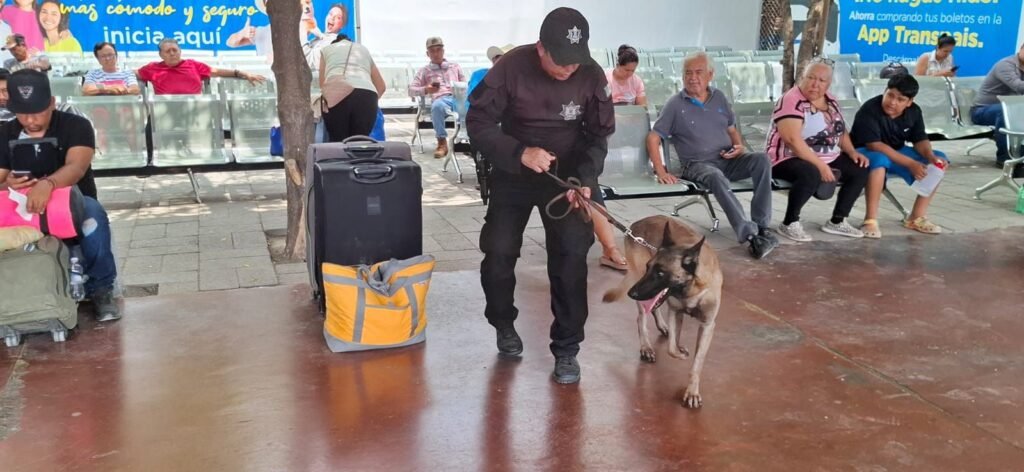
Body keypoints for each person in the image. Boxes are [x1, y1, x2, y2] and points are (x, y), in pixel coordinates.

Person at [467, 7, 614, 384]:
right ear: (541, 48)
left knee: (571, 255)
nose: (569, 69)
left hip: (567, 176)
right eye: (561, 60)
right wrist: (519, 153)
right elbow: (478, 121)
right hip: (514, 168)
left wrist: (585, 179)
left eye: (575, 60)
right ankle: (503, 322)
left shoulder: (591, 74)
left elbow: (598, 136)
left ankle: (567, 347)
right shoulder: (512, 67)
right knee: (499, 251)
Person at [0, 69, 119, 321]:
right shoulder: (5, 132)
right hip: (21, 207)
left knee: (93, 218)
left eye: (37, 112)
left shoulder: (76, 125)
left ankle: (101, 289)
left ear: (52, 103)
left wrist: (48, 184)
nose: (30, 120)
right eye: (22, 113)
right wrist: (7, 184)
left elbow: (77, 166)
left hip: (73, 200)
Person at [647, 52, 778, 259]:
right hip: (696, 165)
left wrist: (738, 146)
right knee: (716, 176)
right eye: (688, 73)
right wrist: (660, 171)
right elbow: (653, 137)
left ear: (710, 75)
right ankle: (750, 236)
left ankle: (762, 226)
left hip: (727, 159)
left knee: (761, 160)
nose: (692, 78)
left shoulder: (719, 98)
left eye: (698, 72)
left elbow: (732, 130)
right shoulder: (675, 104)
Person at [765, 59, 870, 242]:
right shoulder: (791, 100)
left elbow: (840, 130)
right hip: (785, 157)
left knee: (859, 168)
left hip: (824, 155)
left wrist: (852, 152)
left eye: (821, 80)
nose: (815, 84)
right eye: (811, 78)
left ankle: (837, 221)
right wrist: (821, 166)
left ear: (828, 83)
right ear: (802, 78)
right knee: (810, 172)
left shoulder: (831, 100)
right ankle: (789, 222)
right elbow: (792, 141)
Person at [852, 74, 947, 237]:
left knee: (940, 159)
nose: (892, 102)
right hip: (866, 152)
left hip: (897, 152)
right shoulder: (870, 109)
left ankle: (916, 217)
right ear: (885, 91)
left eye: (900, 99)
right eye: (890, 95)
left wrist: (930, 156)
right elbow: (875, 145)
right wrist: (910, 164)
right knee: (880, 160)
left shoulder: (914, 111)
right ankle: (870, 220)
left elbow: (920, 139)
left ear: (909, 102)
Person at [137, 39, 264, 95]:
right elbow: (132, 73)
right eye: (167, 51)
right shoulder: (152, 68)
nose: (172, 53)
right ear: (161, 55)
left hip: (195, 111)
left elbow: (217, 71)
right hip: (163, 113)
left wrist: (242, 73)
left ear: (180, 51)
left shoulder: (194, 65)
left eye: (174, 50)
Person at [319, 35, 386, 141]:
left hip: (336, 96)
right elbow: (381, 87)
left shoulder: (326, 50)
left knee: (338, 142)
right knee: (360, 142)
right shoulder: (363, 50)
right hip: (367, 95)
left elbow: (323, 85)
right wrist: (368, 103)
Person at [971, 42, 1024, 177]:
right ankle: (1004, 157)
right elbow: (1018, 86)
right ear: (1021, 49)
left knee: (1012, 110)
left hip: (1011, 110)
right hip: (982, 111)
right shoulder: (1006, 65)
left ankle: (1020, 156)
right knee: (1005, 110)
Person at [409, 36, 466, 158]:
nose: (436, 53)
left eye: (438, 50)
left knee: (474, 106)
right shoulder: (424, 71)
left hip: (458, 98)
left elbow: (465, 84)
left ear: (443, 51)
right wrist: (426, 89)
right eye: (432, 51)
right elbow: (411, 90)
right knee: (437, 106)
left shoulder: (455, 67)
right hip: (441, 99)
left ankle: (470, 139)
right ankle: (442, 143)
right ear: (427, 54)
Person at [304, 2, 348, 73]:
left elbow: (308, 62)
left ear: (342, 25)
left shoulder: (334, 42)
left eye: (338, 17)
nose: (332, 18)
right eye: (331, 14)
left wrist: (303, 32)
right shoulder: (318, 38)